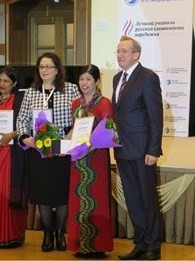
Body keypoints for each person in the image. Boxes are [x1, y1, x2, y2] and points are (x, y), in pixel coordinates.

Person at [16, 52, 80, 252]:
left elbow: (81, 116)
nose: (45, 70)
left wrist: (69, 138)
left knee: (62, 195)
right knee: (42, 195)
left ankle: (61, 233)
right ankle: (47, 234)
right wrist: (26, 138)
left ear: (57, 69)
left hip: (62, 150)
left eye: (49, 67)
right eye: (41, 67)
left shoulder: (70, 89)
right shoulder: (31, 92)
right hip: (38, 152)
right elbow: (21, 119)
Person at [112, 35, 164, 260]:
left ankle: (154, 247)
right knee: (132, 200)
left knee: (147, 199)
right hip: (122, 149)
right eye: (118, 51)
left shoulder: (148, 77)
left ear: (136, 55)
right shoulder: (116, 78)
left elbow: (155, 116)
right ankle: (141, 243)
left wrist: (153, 149)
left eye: (124, 51)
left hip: (143, 151)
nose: (120, 55)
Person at [66, 64, 114, 259]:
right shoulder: (75, 103)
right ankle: (81, 245)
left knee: (97, 198)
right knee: (78, 199)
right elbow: (73, 129)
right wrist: (65, 143)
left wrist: (89, 148)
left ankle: (97, 246)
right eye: (81, 79)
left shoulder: (105, 103)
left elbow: (109, 132)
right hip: (77, 158)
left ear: (96, 82)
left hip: (96, 158)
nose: (84, 83)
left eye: (88, 79)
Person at [0, 66, 28, 248]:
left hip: (12, 151)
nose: (2, 84)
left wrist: (11, 135)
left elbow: (26, 125)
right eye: (0, 81)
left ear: (14, 84)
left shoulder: (20, 101)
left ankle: (11, 233)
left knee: (9, 192)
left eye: (6, 81)